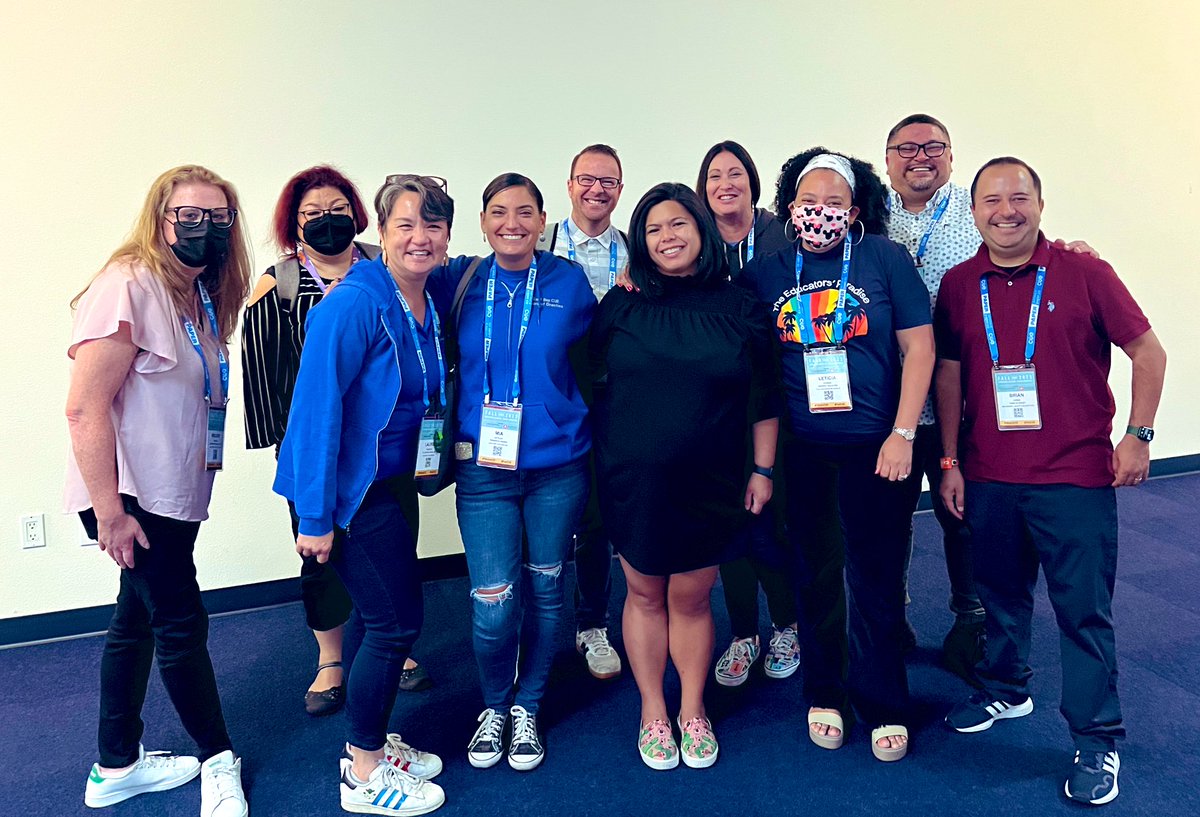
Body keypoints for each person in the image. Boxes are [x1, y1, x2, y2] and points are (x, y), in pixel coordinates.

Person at [936, 158, 1166, 805]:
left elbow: (1148, 351)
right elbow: (949, 374)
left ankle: (1096, 740)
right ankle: (1006, 690)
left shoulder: (1085, 272)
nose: (1005, 211)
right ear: (974, 210)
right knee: (1001, 594)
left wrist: (1139, 435)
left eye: (1018, 198)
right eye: (991, 200)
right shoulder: (959, 283)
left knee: (1082, 610)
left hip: (1074, 478)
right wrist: (949, 460)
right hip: (988, 475)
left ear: (1040, 203)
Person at [884, 113, 1099, 677]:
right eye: (906, 148)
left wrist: (1075, 250)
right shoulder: (868, 217)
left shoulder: (978, 208)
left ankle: (971, 618)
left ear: (952, 157)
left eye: (934, 146)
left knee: (964, 517)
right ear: (887, 161)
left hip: (971, 401)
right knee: (891, 516)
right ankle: (892, 614)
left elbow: (1023, 243)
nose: (920, 157)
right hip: (895, 403)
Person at [66, 164, 251, 816]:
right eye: (189, 217)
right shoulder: (129, 283)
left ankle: (115, 763)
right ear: (161, 219)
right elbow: (85, 408)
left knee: (135, 619)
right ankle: (218, 758)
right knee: (179, 621)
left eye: (218, 219)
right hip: (131, 499)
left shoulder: (194, 293)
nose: (205, 230)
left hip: (169, 494)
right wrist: (111, 514)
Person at [740, 148, 935, 761]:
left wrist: (903, 434)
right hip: (803, 450)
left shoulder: (885, 258)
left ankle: (884, 702)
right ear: (789, 205)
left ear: (853, 212)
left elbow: (920, 350)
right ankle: (824, 693)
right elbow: (752, 363)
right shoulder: (767, 271)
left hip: (876, 448)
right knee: (815, 575)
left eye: (832, 202)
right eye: (806, 200)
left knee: (875, 576)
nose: (817, 212)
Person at [274, 174, 453, 814]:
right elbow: (316, 414)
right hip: (344, 493)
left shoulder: (420, 299)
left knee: (396, 616)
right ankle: (364, 770)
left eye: (432, 225)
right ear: (381, 233)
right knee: (393, 622)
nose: (419, 237)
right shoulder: (354, 304)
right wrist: (316, 517)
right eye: (404, 224)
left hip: (385, 483)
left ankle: (374, 742)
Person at [592, 182, 780, 770]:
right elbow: (591, 384)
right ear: (639, 243)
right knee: (645, 595)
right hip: (634, 481)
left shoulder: (739, 304)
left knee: (693, 598)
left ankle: (693, 708)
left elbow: (765, 395)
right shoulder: (620, 304)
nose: (667, 237)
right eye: (652, 229)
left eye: (678, 224)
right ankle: (653, 710)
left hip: (714, 480)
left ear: (701, 229)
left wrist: (763, 469)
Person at [242, 165, 429, 717]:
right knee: (322, 558)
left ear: (358, 212)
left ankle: (388, 642)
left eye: (338, 209)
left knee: (395, 549)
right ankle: (331, 658)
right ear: (294, 223)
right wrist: (296, 459)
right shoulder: (278, 284)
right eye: (313, 214)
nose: (328, 221)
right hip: (318, 449)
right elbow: (266, 376)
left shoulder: (383, 266)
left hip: (384, 453)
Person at [431, 173, 595, 772]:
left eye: (525, 212)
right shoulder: (461, 279)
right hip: (485, 470)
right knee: (494, 600)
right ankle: (494, 705)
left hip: (558, 465)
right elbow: (397, 266)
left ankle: (529, 703)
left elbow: (598, 352)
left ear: (542, 218)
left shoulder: (568, 281)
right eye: (499, 212)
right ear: (481, 221)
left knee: (548, 587)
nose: (512, 224)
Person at [697, 140, 799, 686]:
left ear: (753, 183)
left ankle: (786, 624)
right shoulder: (695, 240)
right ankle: (744, 634)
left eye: (735, 173)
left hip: (782, 396)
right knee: (731, 524)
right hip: (720, 406)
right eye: (714, 176)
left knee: (772, 521)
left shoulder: (783, 232)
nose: (725, 184)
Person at [538, 144, 630, 680]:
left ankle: (592, 624)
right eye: (586, 179)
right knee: (543, 520)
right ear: (569, 184)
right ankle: (538, 626)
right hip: (550, 401)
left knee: (596, 519)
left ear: (621, 188)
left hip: (616, 403)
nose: (597, 190)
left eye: (609, 181)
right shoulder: (542, 247)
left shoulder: (637, 250)